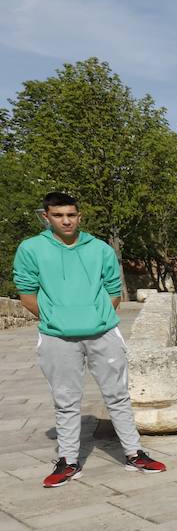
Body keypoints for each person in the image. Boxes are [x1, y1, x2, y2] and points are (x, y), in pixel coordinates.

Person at [15, 192, 167, 487]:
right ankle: (69, 460)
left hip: (102, 332)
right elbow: (26, 293)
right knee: (66, 400)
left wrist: (95, 317)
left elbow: (113, 290)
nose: (66, 220)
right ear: (46, 217)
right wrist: (55, 319)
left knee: (118, 395)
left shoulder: (99, 248)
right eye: (58, 215)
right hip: (57, 337)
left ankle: (134, 453)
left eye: (71, 214)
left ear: (79, 216)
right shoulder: (31, 248)